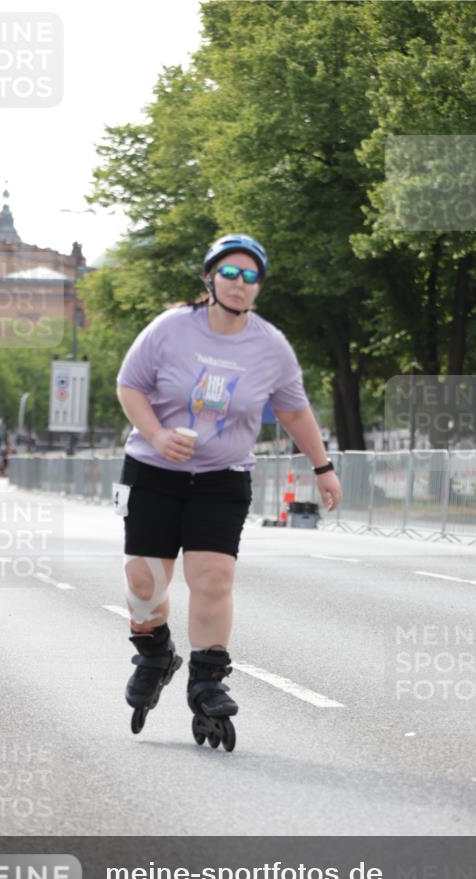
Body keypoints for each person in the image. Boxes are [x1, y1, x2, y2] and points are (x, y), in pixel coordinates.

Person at [115, 233, 342, 751]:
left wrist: (322, 466)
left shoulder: (269, 345)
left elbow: (293, 410)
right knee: (144, 583)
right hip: (153, 470)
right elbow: (129, 386)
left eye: (251, 276)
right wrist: (156, 434)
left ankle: (208, 679)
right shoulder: (170, 329)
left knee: (213, 576)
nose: (240, 284)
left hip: (222, 477)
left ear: (259, 287)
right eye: (231, 274)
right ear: (210, 278)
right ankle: (154, 655)